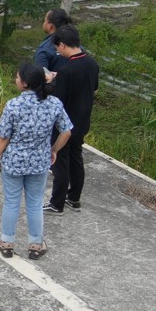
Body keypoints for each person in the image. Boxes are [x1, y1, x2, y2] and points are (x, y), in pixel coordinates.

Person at [0, 63, 73, 259]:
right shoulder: (54, 104)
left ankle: (7, 241)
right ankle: (36, 244)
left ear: (25, 83)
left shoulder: (13, 105)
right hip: (39, 162)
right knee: (35, 204)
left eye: (17, 77)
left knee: (11, 202)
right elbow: (66, 132)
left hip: (14, 163)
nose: (15, 80)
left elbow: (3, 138)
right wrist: (53, 150)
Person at [46, 24, 99, 214]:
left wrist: (52, 81)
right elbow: (94, 89)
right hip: (83, 120)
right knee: (76, 158)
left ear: (62, 45)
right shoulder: (92, 64)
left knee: (59, 158)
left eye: (57, 48)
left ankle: (56, 203)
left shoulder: (68, 71)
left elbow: (56, 100)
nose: (57, 52)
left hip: (64, 125)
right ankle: (74, 198)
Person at [35, 9, 72, 75]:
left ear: (50, 25)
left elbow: (40, 77)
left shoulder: (44, 49)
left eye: (45, 20)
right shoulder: (76, 45)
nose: (43, 23)